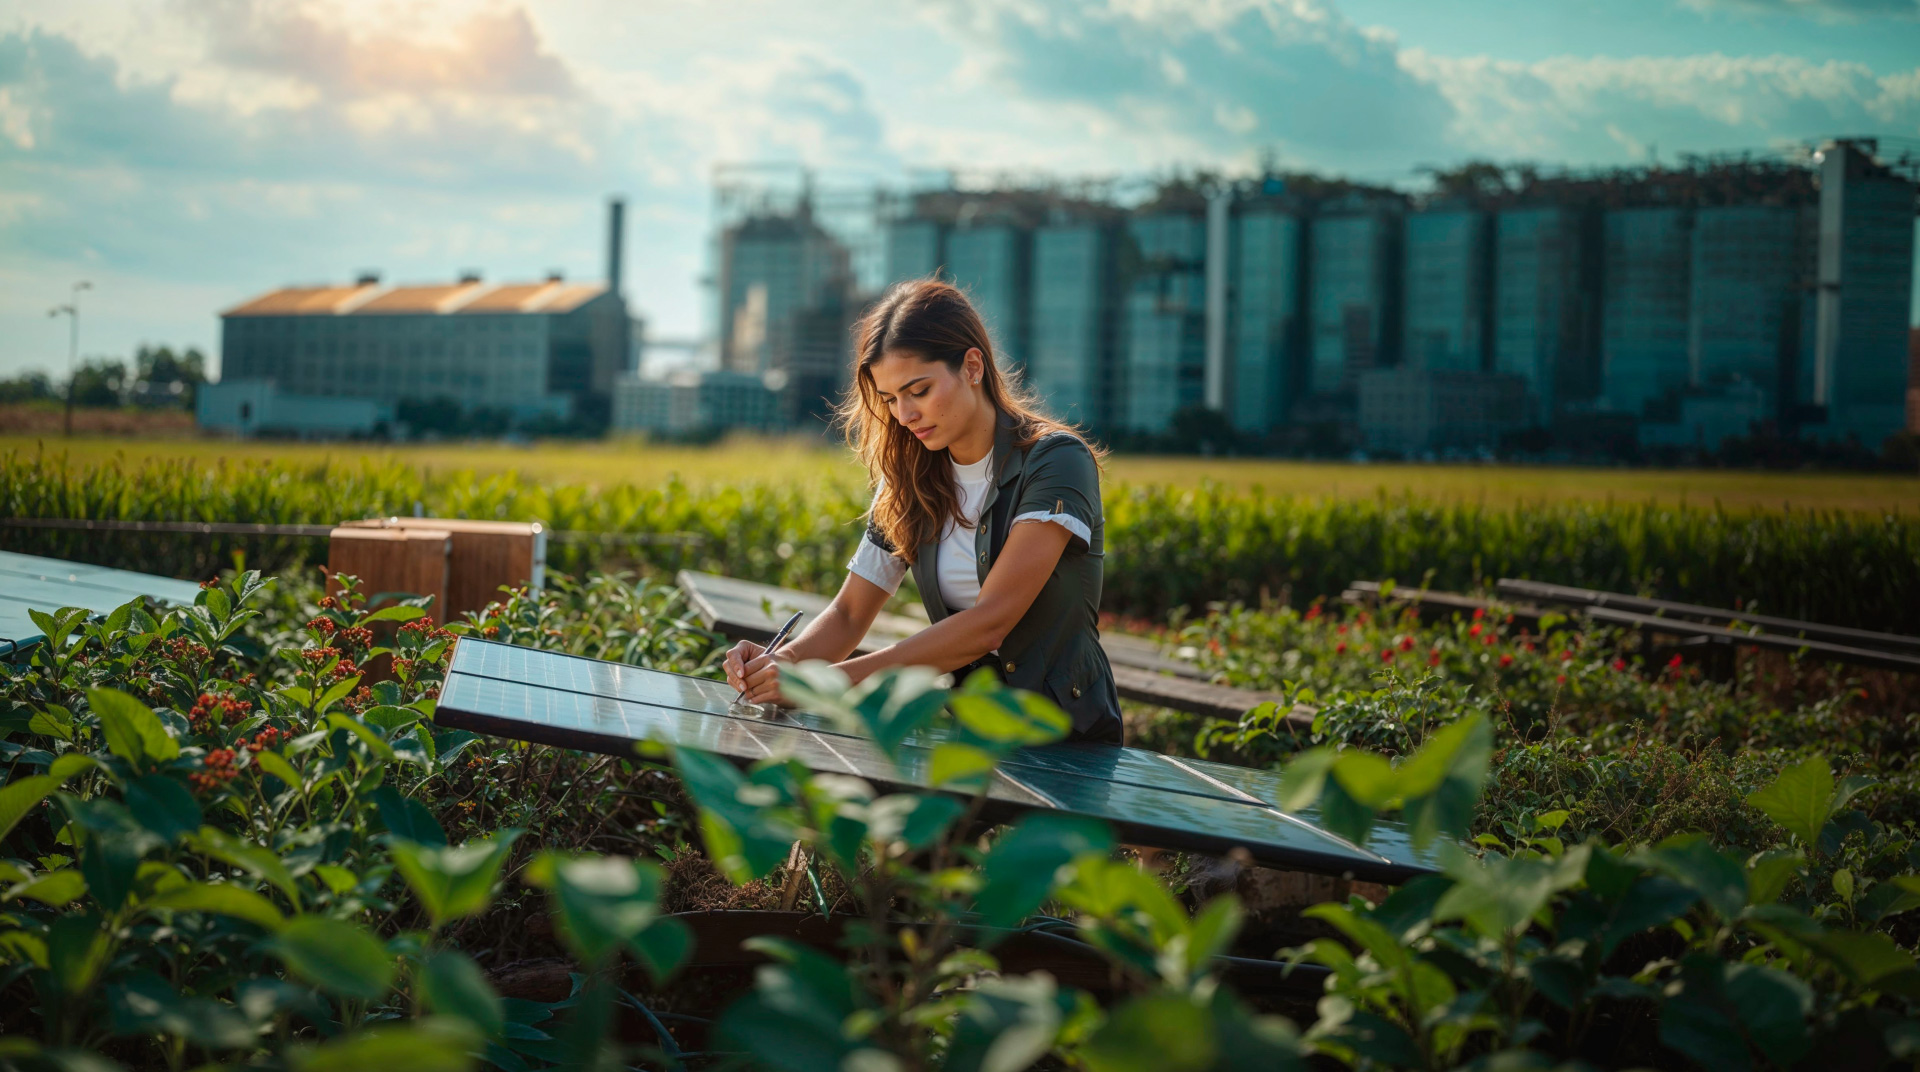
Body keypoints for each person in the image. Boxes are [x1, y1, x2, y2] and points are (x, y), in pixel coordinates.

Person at [723, 278, 1124, 743]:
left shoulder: (1056, 461)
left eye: (918, 390)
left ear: (972, 366)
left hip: (1068, 739)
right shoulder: (908, 480)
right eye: (891, 399)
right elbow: (852, 613)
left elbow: (989, 623)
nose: (904, 414)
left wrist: (823, 684)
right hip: (968, 735)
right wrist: (783, 663)